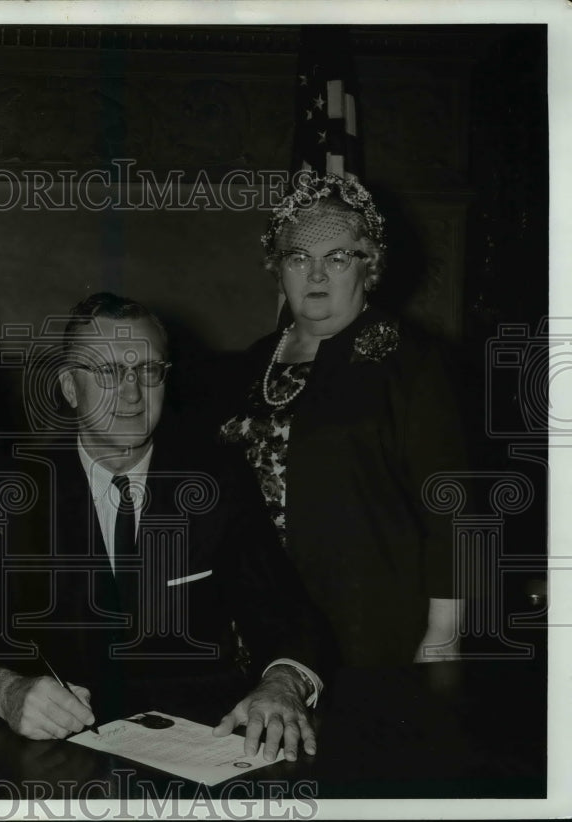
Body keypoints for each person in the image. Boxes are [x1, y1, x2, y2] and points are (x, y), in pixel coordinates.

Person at [0, 293, 330, 763]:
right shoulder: (12, 492)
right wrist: (2, 690)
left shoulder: (216, 480)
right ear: (70, 388)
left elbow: (285, 611)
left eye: (148, 370)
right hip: (56, 750)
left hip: (204, 742)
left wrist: (282, 682)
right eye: (109, 372)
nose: (132, 393)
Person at [219, 171, 466, 668]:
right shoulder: (251, 362)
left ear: (368, 266)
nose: (315, 276)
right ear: (278, 268)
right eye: (298, 258)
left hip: (369, 625)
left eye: (336, 258)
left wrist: (443, 635)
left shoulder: (410, 361)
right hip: (259, 619)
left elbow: (455, 512)